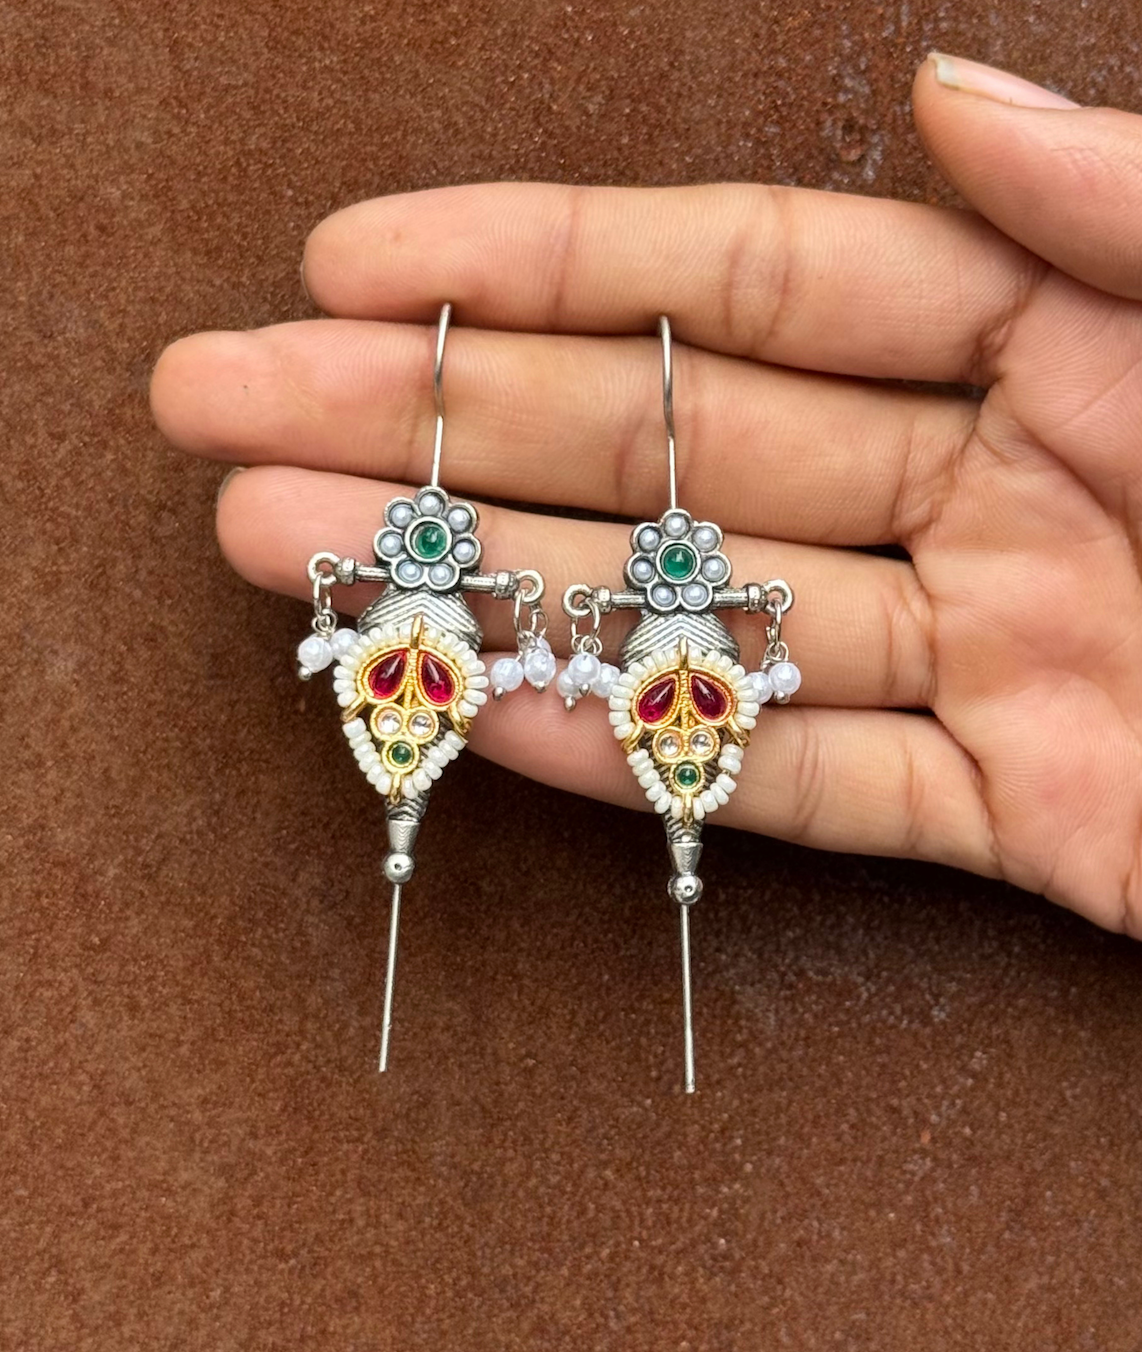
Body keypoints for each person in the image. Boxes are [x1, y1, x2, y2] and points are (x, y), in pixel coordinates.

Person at [150, 54, 1142, 936]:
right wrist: (568, 636)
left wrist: (572, 635)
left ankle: (663, 808)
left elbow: (586, 614)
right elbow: (582, 613)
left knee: (654, 724)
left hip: (667, 667)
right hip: (623, 654)